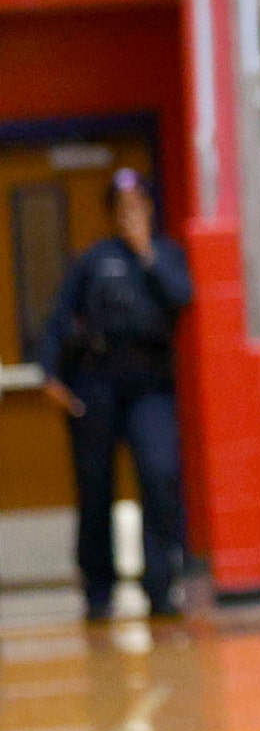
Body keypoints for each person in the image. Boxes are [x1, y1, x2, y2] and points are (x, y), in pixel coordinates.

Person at [36, 169, 194, 622]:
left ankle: (162, 585)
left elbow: (181, 297)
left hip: (150, 385)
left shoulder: (165, 255)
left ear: (149, 207)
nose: (130, 214)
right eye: (122, 207)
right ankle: (98, 590)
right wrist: (49, 374)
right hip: (97, 383)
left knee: (160, 476)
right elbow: (59, 317)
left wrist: (147, 252)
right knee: (95, 488)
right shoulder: (93, 261)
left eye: (138, 205)